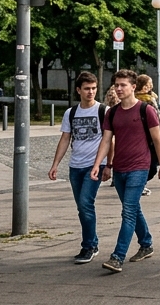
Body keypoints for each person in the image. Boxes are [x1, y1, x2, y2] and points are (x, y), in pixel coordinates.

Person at [92, 69, 160, 272]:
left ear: (133, 87)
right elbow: (106, 140)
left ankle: (117, 256)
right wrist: (99, 165)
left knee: (127, 211)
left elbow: (157, 140)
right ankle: (146, 243)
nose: (118, 88)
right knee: (133, 209)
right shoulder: (113, 112)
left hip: (140, 167)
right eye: (116, 85)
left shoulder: (146, 110)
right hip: (120, 168)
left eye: (123, 85)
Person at [48, 72, 108, 263]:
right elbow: (65, 138)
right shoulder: (71, 113)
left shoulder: (103, 111)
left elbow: (109, 140)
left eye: (93, 88)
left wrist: (108, 165)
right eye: (87, 89)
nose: (91, 92)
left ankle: (88, 246)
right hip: (76, 166)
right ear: (78, 90)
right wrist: (55, 164)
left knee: (85, 203)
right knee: (82, 208)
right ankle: (93, 242)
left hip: (95, 165)